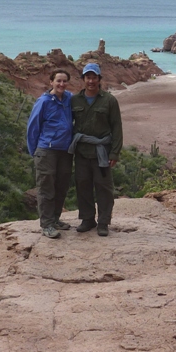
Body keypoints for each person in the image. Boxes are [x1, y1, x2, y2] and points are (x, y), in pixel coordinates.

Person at [68, 62, 123, 236]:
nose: (91, 81)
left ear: (99, 79)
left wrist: (115, 152)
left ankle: (104, 222)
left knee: (103, 188)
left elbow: (117, 127)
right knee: (83, 185)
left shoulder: (109, 100)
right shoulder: (75, 100)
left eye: (94, 77)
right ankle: (87, 219)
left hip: (102, 152)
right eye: (87, 77)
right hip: (82, 151)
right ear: (83, 79)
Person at [26, 68, 74, 238]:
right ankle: (46, 225)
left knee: (61, 186)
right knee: (46, 188)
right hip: (47, 150)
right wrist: (36, 152)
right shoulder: (43, 101)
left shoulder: (69, 98)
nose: (61, 84)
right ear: (51, 82)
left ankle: (55, 219)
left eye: (64, 81)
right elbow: (33, 128)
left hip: (65, 151)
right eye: (58, 81)